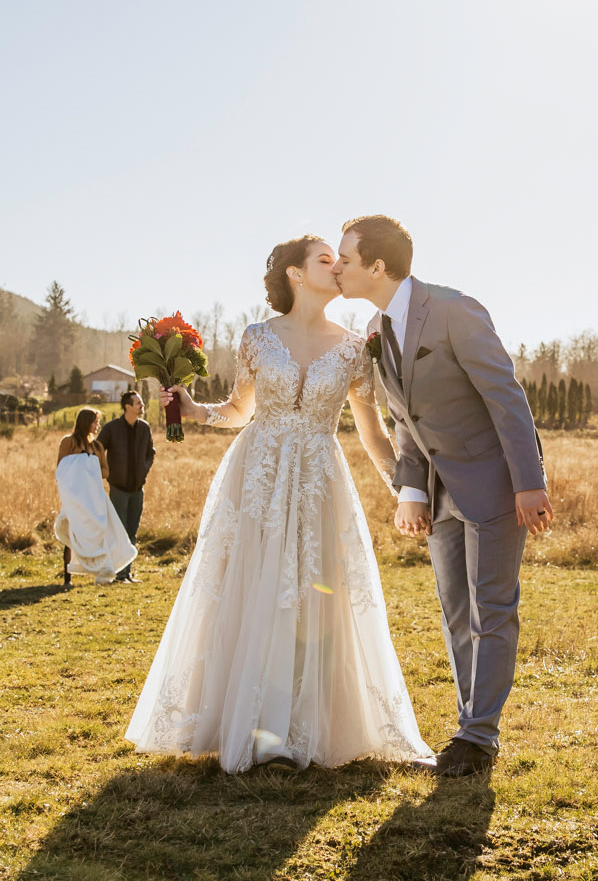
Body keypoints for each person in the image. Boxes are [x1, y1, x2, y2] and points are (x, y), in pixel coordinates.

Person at [126, 236, 433, 773]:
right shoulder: (256, 338)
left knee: (312, 597)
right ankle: (250, 725)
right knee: (252, 589)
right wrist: (196, 412)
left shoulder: (355, 347)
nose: (337, 265)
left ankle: (297, 726)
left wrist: (406, 487)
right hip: (258, 475)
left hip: (319, 479)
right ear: (294, 274)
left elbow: (373, 434)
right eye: (324, 259)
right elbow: (239, 410)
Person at [333, 215, 551, 778]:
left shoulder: (455, 309)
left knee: (492, 609)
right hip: (437, 493)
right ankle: (468, 729)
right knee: (457, 611)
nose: (338, 269)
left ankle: (478, 740)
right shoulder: (379, 333)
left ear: (378, 266)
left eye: (347, 260)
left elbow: (507, 397)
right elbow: (406, 423)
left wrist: (530, 483)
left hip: (495, 484)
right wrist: (411, 491)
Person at [53, 408, 137, 588]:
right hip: (76, 495)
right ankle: (68, 576)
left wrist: (90, 467)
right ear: (85, 422)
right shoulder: (69, 443)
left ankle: (102, 568)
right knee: (73, 528)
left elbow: (105, 471)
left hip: (93, 496)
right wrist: (82, 466)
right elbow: (62, 467)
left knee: (100, 530)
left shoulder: (97, 447)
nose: (97, 425)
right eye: (94, 421)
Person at [98, 389, 155, 583]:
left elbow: (150, 453)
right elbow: (99, 449)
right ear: (127, 407)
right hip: (118, 490)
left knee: (132, 531)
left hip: (137, 489)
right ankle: (118, 573)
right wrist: (106, 471)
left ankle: (127, 573)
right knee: (119, 532)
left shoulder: (145, 428)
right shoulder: (111, 428)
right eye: (138, 403)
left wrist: (144, 470)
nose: (142, 405)